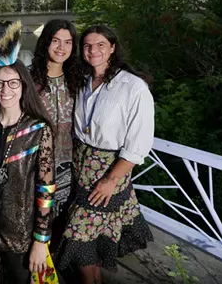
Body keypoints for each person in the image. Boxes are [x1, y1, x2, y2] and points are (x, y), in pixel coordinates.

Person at [58, 25, 154, 284]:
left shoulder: (133, 87)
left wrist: (111, 180)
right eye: (88, 46)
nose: (93, 50)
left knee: (78, 238)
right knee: (92, 240)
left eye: (101, 44)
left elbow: (139, 143)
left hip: (108, 170)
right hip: (81, 168)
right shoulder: (82, 80)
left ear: (113, 48)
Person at [0, 22, 56, 283]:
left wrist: (41, 241)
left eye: (13, 83)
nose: (6, 90)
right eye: (0, 83)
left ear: (24, 85)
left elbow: (46, 191)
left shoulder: (38, 131)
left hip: (21, 238)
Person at [30, 19, 84, 240]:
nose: (62, 48)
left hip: (71, 166)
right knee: (37, 221)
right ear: (45, 42)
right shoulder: (28, 79)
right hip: (36, 166)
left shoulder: (79, 79)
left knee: (62, 224)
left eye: (68, 42)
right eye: (56, 41)